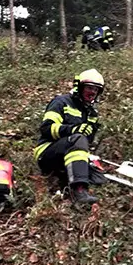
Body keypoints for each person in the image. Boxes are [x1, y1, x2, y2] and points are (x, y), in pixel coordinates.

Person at [34, 69, 103, 206]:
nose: (92, 92)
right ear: (79, 87)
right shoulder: (61, 102)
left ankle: (68, 178)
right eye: (89, 88)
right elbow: (46, 129)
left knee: (98, 177)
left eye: (96, 90)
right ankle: (79, 191)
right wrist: (73, 129)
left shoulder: (91, 112)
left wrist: (90, 130)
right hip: (47, 152)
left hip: (67, 154)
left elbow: (86, 142)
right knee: (78, 139)